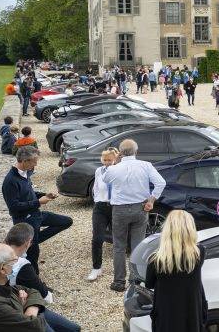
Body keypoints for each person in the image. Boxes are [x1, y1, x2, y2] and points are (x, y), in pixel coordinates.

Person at [103, 139, 166, 292]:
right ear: (136, 151)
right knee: (138, 245)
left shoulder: (114, 169)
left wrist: (115, 163)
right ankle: (135, 280)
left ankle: (119, 282)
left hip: (120, 210)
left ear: (119, 153)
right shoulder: (145, 165)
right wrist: (151, 199)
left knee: (119, 246)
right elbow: (161, 183)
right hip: (141, 208)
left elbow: (105, 180)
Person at [2, 146, 72, 274]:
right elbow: (14, 207)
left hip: (36, 214)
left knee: (66, 221)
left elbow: (28, 192)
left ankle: (33, 241)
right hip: (25, 221)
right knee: (33, 257)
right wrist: (38, 202)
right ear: (24, 161)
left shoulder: (25, 173)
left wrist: (44, 194)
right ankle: (37, 285)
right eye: (34, 161)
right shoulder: (10, 181)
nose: (36, 164)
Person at [4, 225, 82, 332]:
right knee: (73, 329)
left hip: (16, 304)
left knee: (74, 328)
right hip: (20, 310)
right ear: (28, 242)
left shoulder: (1, 253)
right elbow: (44, 295)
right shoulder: (21, 265)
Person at [146, 210, 207, 332]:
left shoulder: (156, 259)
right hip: (192, 314)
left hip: (166, 317)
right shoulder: (199, 253)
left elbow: (149, 284)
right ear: (190, 229)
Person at [0, 243, 53, 331]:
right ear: (2, 269)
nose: (19, 261)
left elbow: (33, 291)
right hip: (34, 323)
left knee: (74, 328)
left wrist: (28, 305)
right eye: (14, 261)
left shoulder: (3, 283)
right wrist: (31, 306)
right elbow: (35, 326)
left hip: (31, 315)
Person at [88, 148, 116, 282]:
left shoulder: (119, 171)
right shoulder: (99, 171)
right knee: (97, 238)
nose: (107, 162)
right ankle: (96, 267)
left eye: (110, 160)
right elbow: (96, 188)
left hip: (116, 207)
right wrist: (98, 200)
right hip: (100, 207)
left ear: (115, 160)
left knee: (119, 239)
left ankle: (121, 269)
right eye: (105, 160)